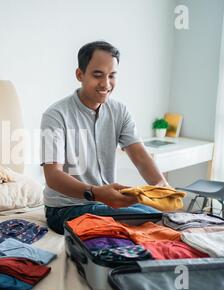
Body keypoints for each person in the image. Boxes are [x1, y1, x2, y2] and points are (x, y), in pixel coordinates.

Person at [40, 41, 169, 234]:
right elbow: (53, 176)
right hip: (64, 210)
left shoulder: (119, 111)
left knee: (161, 218)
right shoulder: (56, 115)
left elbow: (140, 156)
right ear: (79, 75)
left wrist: (160, 185)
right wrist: (96, 193)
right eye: (97, 75)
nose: (106, 84)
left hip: (106, 205)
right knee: (151, 224)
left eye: (112, 76)